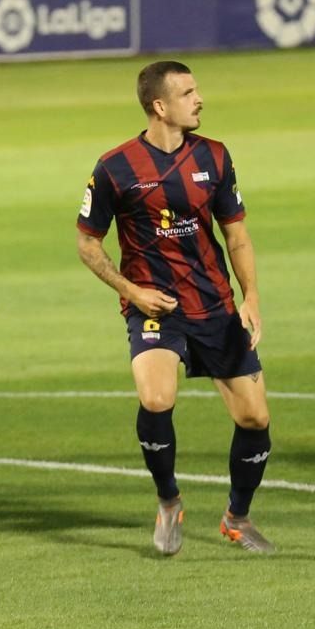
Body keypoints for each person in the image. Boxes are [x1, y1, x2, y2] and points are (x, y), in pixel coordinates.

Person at [76, 61, 275, 555]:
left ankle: (237, 517)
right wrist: (131, 290)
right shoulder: (114, 168)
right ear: (159, 106)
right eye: (188, 93)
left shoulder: (215, 156)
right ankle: (168, 501)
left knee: (254, 420)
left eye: (197, 90)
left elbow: (236, 236)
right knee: (157, 398)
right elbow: (87, 244)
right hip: (154, 307)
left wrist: (250, 298)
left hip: (214, 305)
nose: (200, 99)